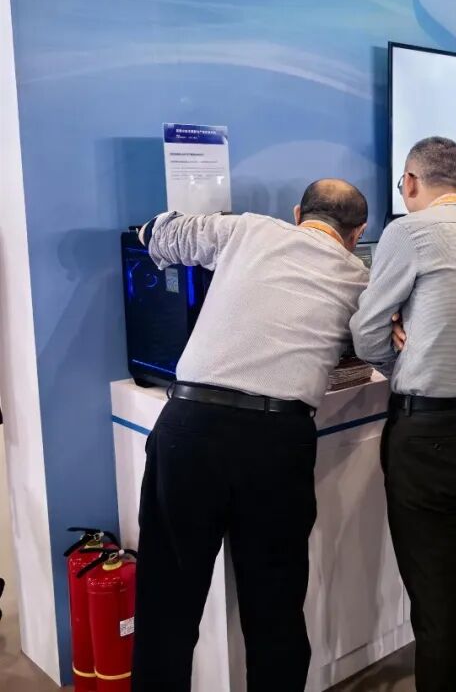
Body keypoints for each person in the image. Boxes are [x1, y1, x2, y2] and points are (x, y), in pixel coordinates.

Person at [132, 180, 370, 691]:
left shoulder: (248, 229)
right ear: (358, 233)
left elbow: (158, 234)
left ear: (298, 213)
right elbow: (376, 344)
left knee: (166, 603)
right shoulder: (359, 278)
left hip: (190, 425)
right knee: (275, 606)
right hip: (277, 439)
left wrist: (154, 229)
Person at [350, 137, 456, 692]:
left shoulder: (409, 231)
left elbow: (365, 331)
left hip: (427, 431)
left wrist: (398, 356)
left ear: (411, 183)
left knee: (434, 586)